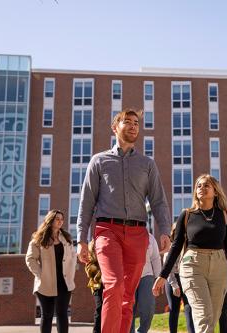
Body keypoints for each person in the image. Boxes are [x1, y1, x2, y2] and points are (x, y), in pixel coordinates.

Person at [76, 108, 172, 333]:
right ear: (115, 127)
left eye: (136, 123)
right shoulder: (99, 161)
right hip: (107, 230)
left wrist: (165, 230)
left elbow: (158, 200)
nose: (132, 126)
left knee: (128, 297)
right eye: (127, 122)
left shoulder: (147, 164)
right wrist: (81, 239)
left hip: (138, 234)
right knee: (114, 285)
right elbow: (86, 202)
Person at [153, 174, 227, 333]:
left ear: (215, 191)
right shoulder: (187, 215)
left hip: (219, 266)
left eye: (206, 186)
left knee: (212, 317)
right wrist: (163, 275)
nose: (202, 188)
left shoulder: (223, 215)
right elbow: (176, 247)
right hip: (193, 265)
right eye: (199, 186)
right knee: (204, 316)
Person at [25, 209, 76, 333]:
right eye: (57, 219)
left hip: (64, 284)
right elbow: (30, 259)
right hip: (45, 284)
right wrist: (41, 274)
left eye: (62, 219)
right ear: (50, 220)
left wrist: (71, 275)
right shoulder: (39, 239)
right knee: (47, 316)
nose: (60, 221)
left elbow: (72, 257)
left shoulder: (66, 238)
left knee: (63, 315)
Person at [163, 225, 195, 333]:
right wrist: (175, 285)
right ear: (173, 233)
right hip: (172, 279)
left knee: (189, 308)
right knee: (174, 309)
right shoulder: (170, 248)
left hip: (185, 277)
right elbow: (168, 270)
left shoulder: (188, 247)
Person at [130, 233, 161, 333]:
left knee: (148, 307)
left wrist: (159, 278)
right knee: (129, 308)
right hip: (129, 276)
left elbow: (156, 258)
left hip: (147, 275)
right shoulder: (125, 233)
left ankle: (142, 331)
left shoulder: (150, 237)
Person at [85, 239, 103, 333]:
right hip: (97, 286)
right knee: (99, 308)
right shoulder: (90, 261)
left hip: (108, 285)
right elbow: (91, 274)